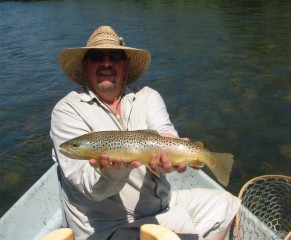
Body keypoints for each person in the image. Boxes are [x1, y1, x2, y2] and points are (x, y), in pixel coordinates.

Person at [50, 26, 241, 240]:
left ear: (126, 63)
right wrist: (114, 169)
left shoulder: (148, 96)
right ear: (86, 65)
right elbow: (90, 189)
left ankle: (211, 162)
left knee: (228, 205)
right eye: (96, 56)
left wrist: (173, 145)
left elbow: (164, 131)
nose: (106, 63)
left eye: (115, 55)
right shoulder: (66, 110)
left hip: (162, 206)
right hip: (109, 227)